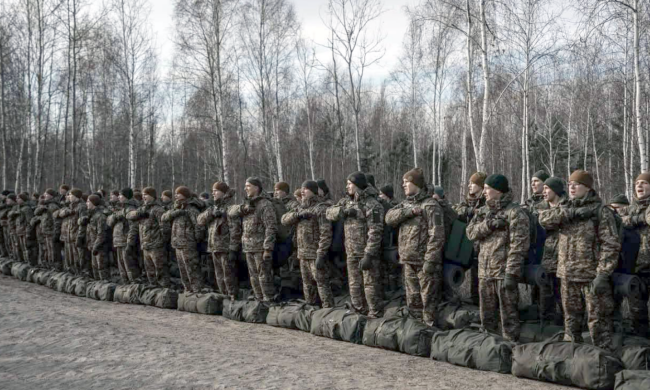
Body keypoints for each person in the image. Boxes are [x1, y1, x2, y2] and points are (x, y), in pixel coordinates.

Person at [538, 170, 619, 351]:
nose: (572, 188)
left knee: (598, 323)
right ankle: (573, 360)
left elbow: (611, 245)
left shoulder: (600, 211)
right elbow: (544, 219)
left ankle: (603, 360)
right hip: (567, 275)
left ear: (588, 188)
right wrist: (570, 213)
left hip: (591, 276)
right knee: (571, 321)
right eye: (570, 184)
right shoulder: (566, 208)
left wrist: (603, 274)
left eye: (577, 184)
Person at [466, 174, 529, 342]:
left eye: (487, 189)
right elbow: (470, 232)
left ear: (498, 191)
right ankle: (490, 352)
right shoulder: (483, 211)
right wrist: (489, 224)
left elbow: (519, 246)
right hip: (485, 272)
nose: (484, 192)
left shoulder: (515, 213)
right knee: (487, 319)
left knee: (509, 319)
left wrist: (511, 273)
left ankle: (511, 349)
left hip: (503, 273)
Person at [386, 168, 445, 326]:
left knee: (428, 303)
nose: (403, 185)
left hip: (424, 263)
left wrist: (430, 260)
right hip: (408, 261)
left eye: (407, 182)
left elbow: (437, 235)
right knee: (413, 301)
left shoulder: (430, 206)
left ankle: (429, 332)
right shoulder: (405, 205)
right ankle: (415, 334)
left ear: (416, 184)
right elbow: (389, 218)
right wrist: (409, 212)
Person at [327, 172, 384, 318]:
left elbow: (375, 231)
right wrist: (343, 212)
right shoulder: (346, 202)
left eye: (349, 183)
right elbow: (329, 213)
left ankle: (374, 314)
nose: (347, 186)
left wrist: (369, 254)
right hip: (351, 252)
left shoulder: (372, 204)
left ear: (357, 185)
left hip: (366, 254)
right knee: (354, 285)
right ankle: (359, 312)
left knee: (370, 286)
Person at [281, 180, 334, 307]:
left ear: (313, 191)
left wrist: (321, 254)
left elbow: (326, 234)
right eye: (301, 188)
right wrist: (298, 215)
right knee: (307, 285)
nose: (302, 191)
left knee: (322, 284)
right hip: (302, 254)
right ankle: (312, 309)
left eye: (306, 189)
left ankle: (328, 310)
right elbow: (284, 220)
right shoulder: (300, 208)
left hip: (315, 254)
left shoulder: (321, 208)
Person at [231, 177, 277, 302]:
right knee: (253, 276)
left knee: (264, 276)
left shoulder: (265, 204)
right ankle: (259, 299)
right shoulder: (247, 204)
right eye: (245, 186)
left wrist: (268, 248)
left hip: (260, 247)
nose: (245, 188)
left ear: (256, 187)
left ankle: (268, 299)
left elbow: (271, 227)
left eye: (248, 186)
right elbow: (231, 212)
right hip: (248, 246)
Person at [197, 182, 239, 298]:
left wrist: (233, 248)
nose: (213, 193)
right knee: (219, 275)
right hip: (214, 246)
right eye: (213, 190)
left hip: (226, 247)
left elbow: (235, 229)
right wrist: (211, 213)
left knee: (229, 275)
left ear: (223, 192)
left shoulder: (230, 207)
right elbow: (200, 220)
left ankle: (232, 297)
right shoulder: (214, 207)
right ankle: (223, 297)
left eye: (216, 190)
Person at [162, 186, 205, 293]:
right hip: (177, 243)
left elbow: (199, 226)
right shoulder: (176, 208)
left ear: (185, 195)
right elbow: (164, 217)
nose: (176, 195)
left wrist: (196, 240)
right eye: (175, 193)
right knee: (182, 270)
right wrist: (175, 212)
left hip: (188, 244)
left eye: (178, 193)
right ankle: (187, 290)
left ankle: (196, 291)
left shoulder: (191, 209)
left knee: (192, 269)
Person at [537, 177, 567, 325]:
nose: (544, 192)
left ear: (555, 190)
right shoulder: (541, 207)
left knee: (563, 297)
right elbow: (543, 221)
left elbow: (554, 219)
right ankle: (546, 327)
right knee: (545, 295)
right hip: (546, 259)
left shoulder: (567, 205)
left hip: (564, 261)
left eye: (547, 189)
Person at [454, 171, 487, 305]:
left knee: (482, 277)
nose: (469, 186)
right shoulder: (469, 201)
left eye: (472, 183)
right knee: (474, 274)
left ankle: (481, 302)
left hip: (483, 245)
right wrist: (469, 211)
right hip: (469, 245)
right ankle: (474, 300)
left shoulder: (487, 200)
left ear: (481, 185)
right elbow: (456, 210)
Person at [623, 173, 650, 336]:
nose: (639, 186)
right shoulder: (629, 208)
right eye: (637, 183)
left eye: (644, 183)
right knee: (637, 315)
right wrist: (641, 218)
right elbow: (620, 220)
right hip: (637, 269)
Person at [127, 187, 171, 287]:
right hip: (145, 244)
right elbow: (128, 215)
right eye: (142, 195)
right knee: (149, 270)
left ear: (152, 196)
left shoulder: (158, 210)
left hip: (156, 245)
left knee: (160, 270)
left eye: (146, 194)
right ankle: (153, 289)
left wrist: (162, 241)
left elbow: (165, 227)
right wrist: (138, 213)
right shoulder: (142, 209)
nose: (143, 196)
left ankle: (164, 289)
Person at [107, 188, 141, 283]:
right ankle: (125, 285)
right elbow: (109, 222)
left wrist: (130, 243)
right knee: (122, 265)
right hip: (119, 240)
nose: (119, 197)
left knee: (129, 265)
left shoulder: (130, 209)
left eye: (121, 195)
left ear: (126, 197)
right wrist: (115, 217)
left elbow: (133, 228)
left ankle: (133, 284)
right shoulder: (121, 208)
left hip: (126, 241)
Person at [56, 188, 86, 274]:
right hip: (68, 236)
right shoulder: (69, 206)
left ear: (76, 196)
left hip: (75, 236)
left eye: (71, 195)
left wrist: (80, 237)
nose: (69, 196)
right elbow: (57, 214)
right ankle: (71, 273)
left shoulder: (81, 207)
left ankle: (79, 273)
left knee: (77, 257)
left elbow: (82, 223)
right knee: (69, 258)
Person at [85, 194, 109, 280]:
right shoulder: (91, 215)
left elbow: (101, 234)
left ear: (93, 203)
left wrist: (95, 246)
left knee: (101, 269)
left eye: (88, 201)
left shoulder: (100, 216)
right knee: (95, 269)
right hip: (93, 246)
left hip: (100, 248)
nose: (86, 203)